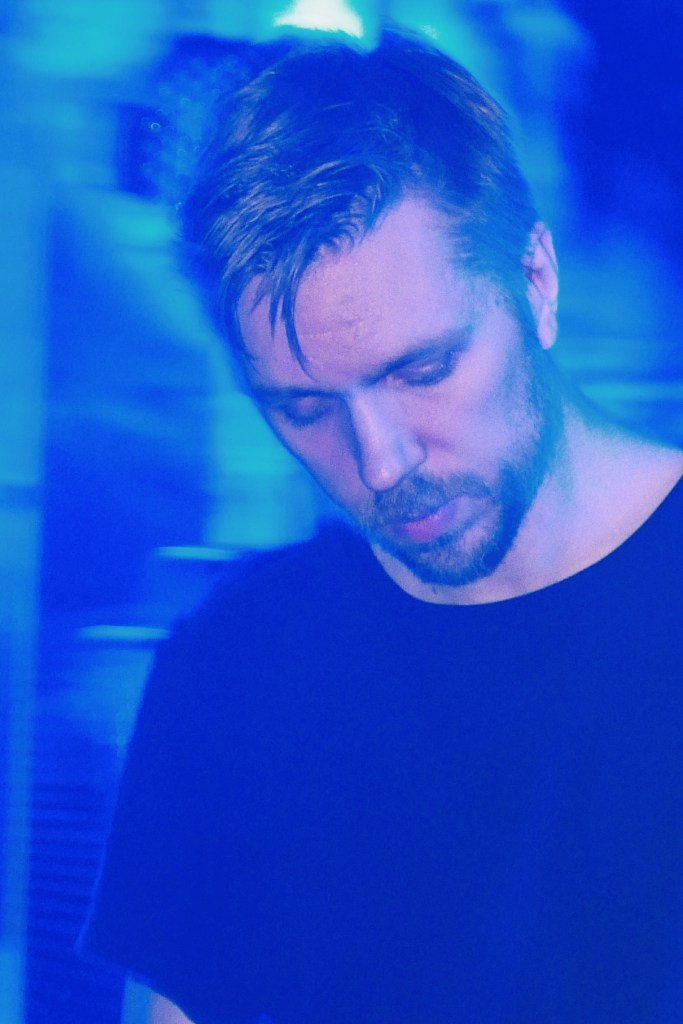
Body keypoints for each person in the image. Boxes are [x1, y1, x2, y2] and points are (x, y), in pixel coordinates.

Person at [81, 29, 683, 1024]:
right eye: (304, 408)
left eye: (423, 369)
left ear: (534, 281)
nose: (380, 463)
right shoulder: (229, 665)